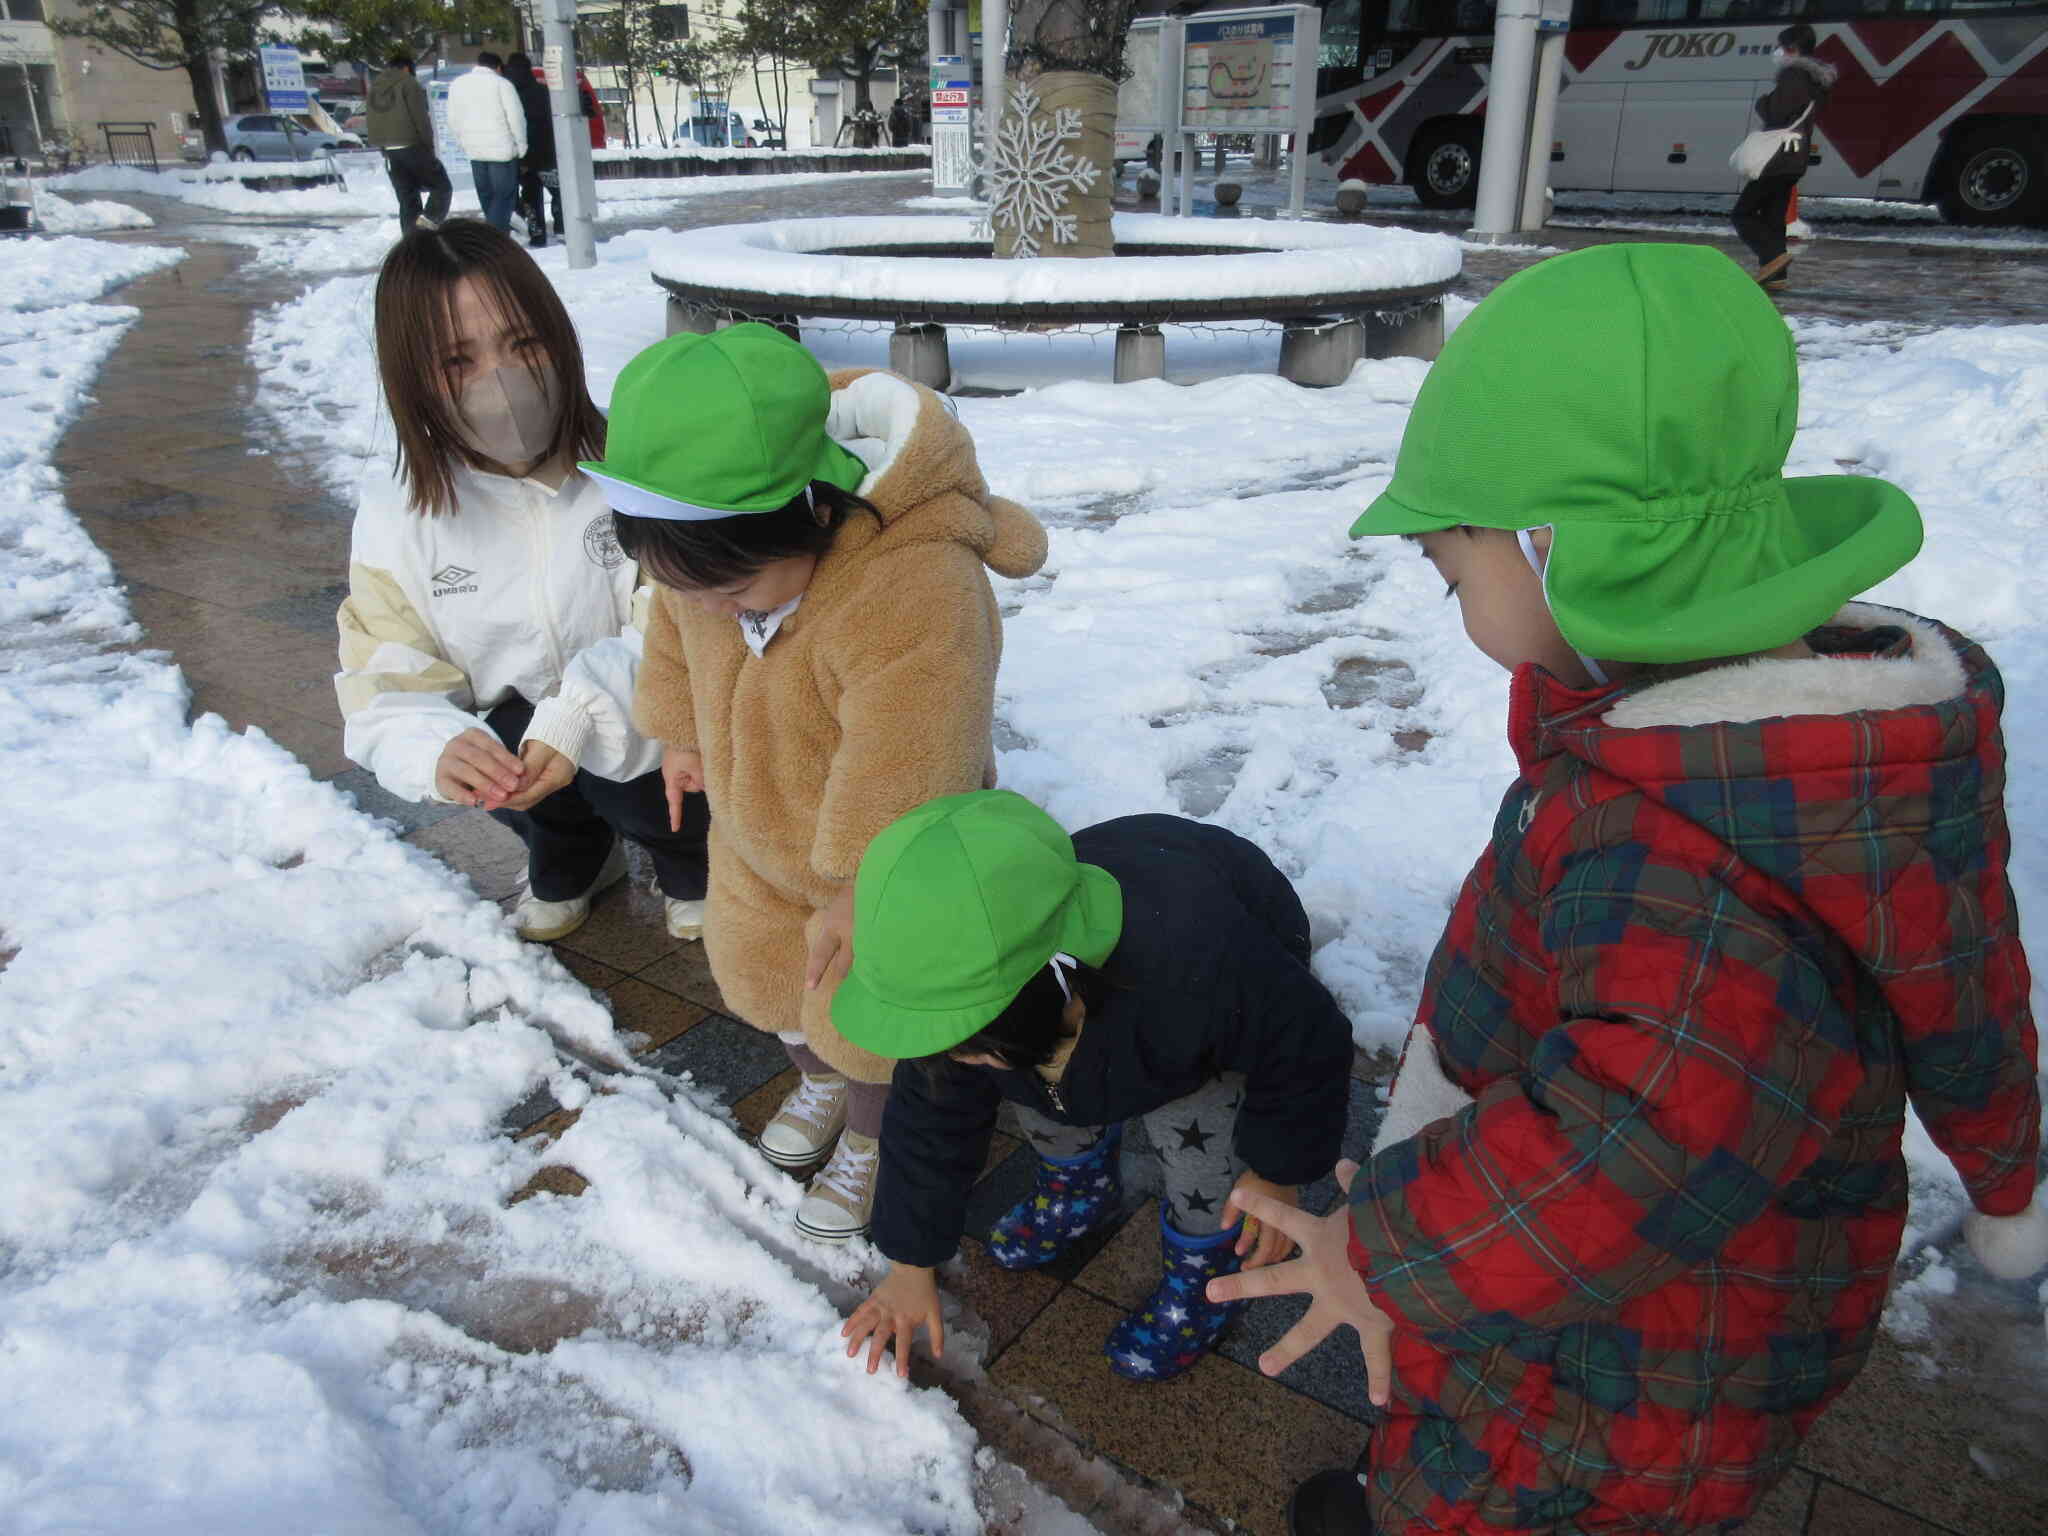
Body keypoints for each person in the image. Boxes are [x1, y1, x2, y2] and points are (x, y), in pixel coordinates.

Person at [1211, 243, 2047, 1536]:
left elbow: (1621, 1151)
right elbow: (1966, 983)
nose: (1452, 595)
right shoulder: (1821, 756)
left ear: (1554, 549)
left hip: (1621, 1373)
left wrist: (1378, 1248)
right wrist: (2006, 1177)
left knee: (1483, 1496)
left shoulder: (1681, 849)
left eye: (1454, 567)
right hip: (1693, 1304)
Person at [589, 323, 1047, 1243]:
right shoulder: (707, 562)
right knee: (761, 972)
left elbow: (910, 750)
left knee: (867, 1011)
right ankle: (819, 1084)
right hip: (757, 825)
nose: (715, 608)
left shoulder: (913, 583)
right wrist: (680, 734)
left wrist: (856, 885)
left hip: (887, 858)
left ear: (814, 514)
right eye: (692, 585)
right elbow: (672, 626)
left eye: (736, 590)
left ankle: (874, 1130)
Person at [835, 791, 1353, 1382]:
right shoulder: (962, 978)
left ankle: (1204, 1266)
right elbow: (929, 1121)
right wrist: (910, 1261)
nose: (951, 1057)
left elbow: (1306, 1037)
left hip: (1226, 966)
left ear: (1039, 996)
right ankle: (1079, 1186)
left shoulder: (1199, 967)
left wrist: (1278, 1172)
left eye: (966, 1041)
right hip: (1067, 1007)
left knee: (1203, 1136)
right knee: (1033, 1091)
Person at [336, 220, 711, 946]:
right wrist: (436, 748)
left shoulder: (631, 467)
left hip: (649, 733)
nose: (500, 383)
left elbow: (678, 621)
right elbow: (383, 673)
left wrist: (580, 714)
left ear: (557, 340)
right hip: (518, 745)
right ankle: (570, 851)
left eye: (522, 345)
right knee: (501, 739)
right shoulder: (399, 514)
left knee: (641, 732)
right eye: (457, 361)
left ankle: (686, 854)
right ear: (412, 376)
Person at [1733, 23, 1836, 292]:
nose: (1777, 51)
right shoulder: (1813, 79)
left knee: (1742, 214)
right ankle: (1776, 276)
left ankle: (1774, 257)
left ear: (1791, 48)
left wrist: (1762, 102)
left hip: (1778, 158)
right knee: (1773, 216)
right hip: (1793, 158)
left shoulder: (1794, 75)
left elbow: (1777, 112)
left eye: (1781, 46)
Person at [364, 51, 451, 233]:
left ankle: (411, 241)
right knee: (442, 187)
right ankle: (426, 225)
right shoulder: (408, 83)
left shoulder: (375, 86)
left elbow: (372, 119)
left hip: (389, 150)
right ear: (406, 68)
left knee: (407, 197)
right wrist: (429, 145)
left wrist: (382, 146)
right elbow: (420, 118)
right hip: (411, 144)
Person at [445, 52, 527, 234]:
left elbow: (452, 118)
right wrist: (521, 145)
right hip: (502, 151)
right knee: (504, 196)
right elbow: (516, 117)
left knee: (487, 196)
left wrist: (462, 142)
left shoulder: (458, 85)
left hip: (474, 151)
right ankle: (495, 237)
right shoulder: (502, 84)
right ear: (497, 67)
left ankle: (494, 236)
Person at [504, 52, 561, 248]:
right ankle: (562, 229)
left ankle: (537, 235)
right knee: (558, 193)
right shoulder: (543, 91)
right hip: (547, 154)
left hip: (523, 157)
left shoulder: (509, 95)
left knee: (530, 196)